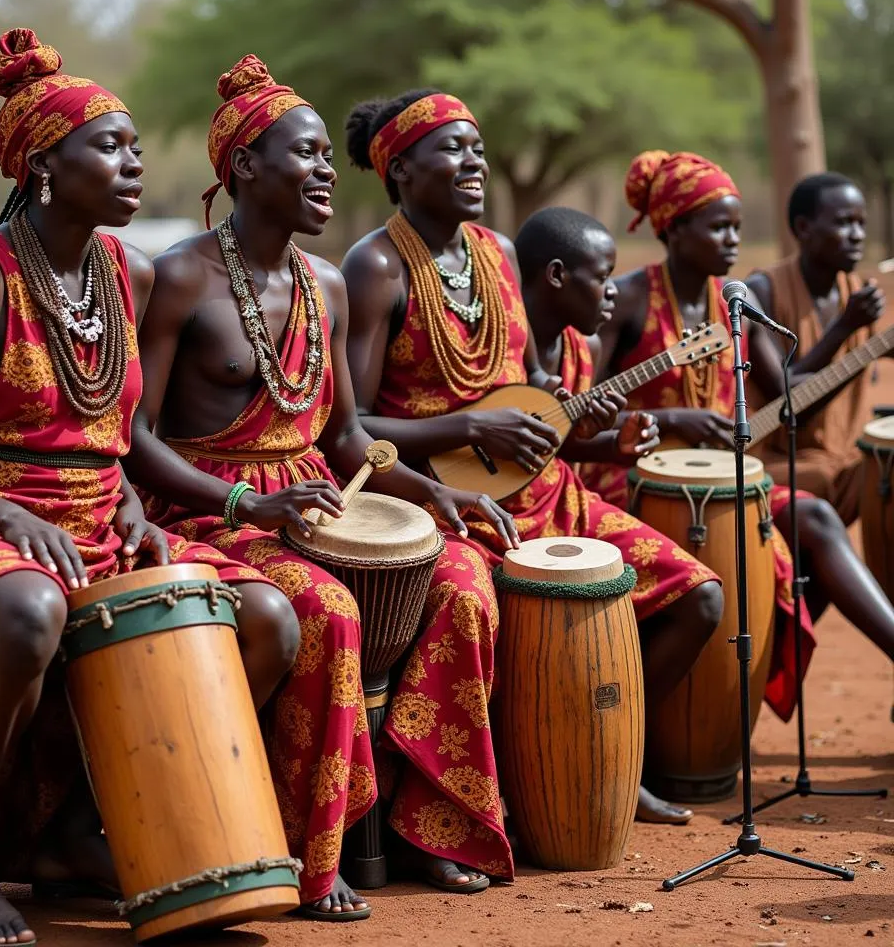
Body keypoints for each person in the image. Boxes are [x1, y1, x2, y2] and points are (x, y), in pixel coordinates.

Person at [0, 29, 298, 947]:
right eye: (110, 146)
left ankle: (77, 828)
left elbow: (116, 439)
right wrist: (11, 517)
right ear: (43, 163)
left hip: (99, 519)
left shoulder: (128, 272)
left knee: (264, 617)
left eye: (137, 146)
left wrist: (138, 508)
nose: (134, 162)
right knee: (30, 612)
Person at [129, 56, 521, 919]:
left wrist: (425, 492)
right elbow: (137, 439)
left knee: (462, 583)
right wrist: (246, 505)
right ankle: (316, 848)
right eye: (304, 156)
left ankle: (433, 822)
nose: (324, 174)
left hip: (314, 492)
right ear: (243, 168)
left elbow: (345, 436)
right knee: (329, 611)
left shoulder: (328, 285)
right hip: (209, 504)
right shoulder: (181, 276)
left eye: (323, 158)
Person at [340, 90, 728, 826]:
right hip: (433, 499)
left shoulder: (497, 253)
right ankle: (446, 813)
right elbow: (354, 425)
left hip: (544, 492)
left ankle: (605, 754)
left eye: (477, 147)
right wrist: (470, 426)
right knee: (469, 604)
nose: (473, 160)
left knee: (697, 595)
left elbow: (523, 410)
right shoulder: (376, 266)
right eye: (451, 148)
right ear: (400, 169)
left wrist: (590, 440)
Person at [594, 150, 894, 721]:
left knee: (815, 517)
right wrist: (675, 421)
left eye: (736, 226)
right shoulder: (630, 299)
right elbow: (585, 414)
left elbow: (786, 391)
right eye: (718, 227)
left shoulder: (734, 299)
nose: (734, 239)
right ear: (673, 228)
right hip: (630, 484)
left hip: (720, 482)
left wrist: (858, 340)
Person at [744, 173, 885, 525]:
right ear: (804, 228)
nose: (857, 234)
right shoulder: (761, 291)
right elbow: (789, 403)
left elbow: (879, 349)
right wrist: (844, 327)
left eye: (861, 223)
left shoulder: (853, 289)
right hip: (779, 457)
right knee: (819, 480)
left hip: (845, 455)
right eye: (843, 222)